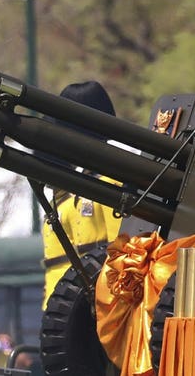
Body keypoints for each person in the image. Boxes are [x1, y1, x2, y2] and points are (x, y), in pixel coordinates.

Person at [40, 81, 122, 309]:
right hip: (69, 300)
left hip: (103, 297)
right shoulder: (78, 184)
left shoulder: (109, 180)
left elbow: (121, 246)